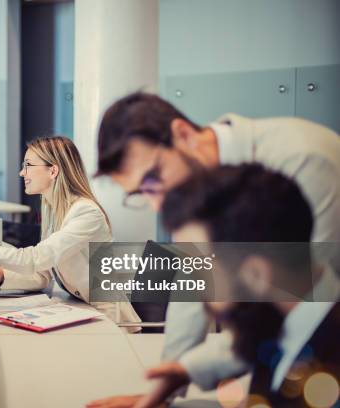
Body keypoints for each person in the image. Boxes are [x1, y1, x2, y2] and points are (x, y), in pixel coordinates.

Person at [95, 92, 340, 393]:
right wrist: (164, 391)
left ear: (184, 134)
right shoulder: (188, 191)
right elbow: (193, 292)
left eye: (153, 177)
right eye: (141, 193)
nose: (157, 205)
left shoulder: (303, 158)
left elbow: (303, 305)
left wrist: (192, 367)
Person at [0, 136, 140, 324]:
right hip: (82, 308)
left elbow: (35, 258)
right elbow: (42, 275)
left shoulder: (86, 213)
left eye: (28, 165)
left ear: (53, 170)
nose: (21, 172)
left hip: (109, 320)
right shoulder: (54, 209)